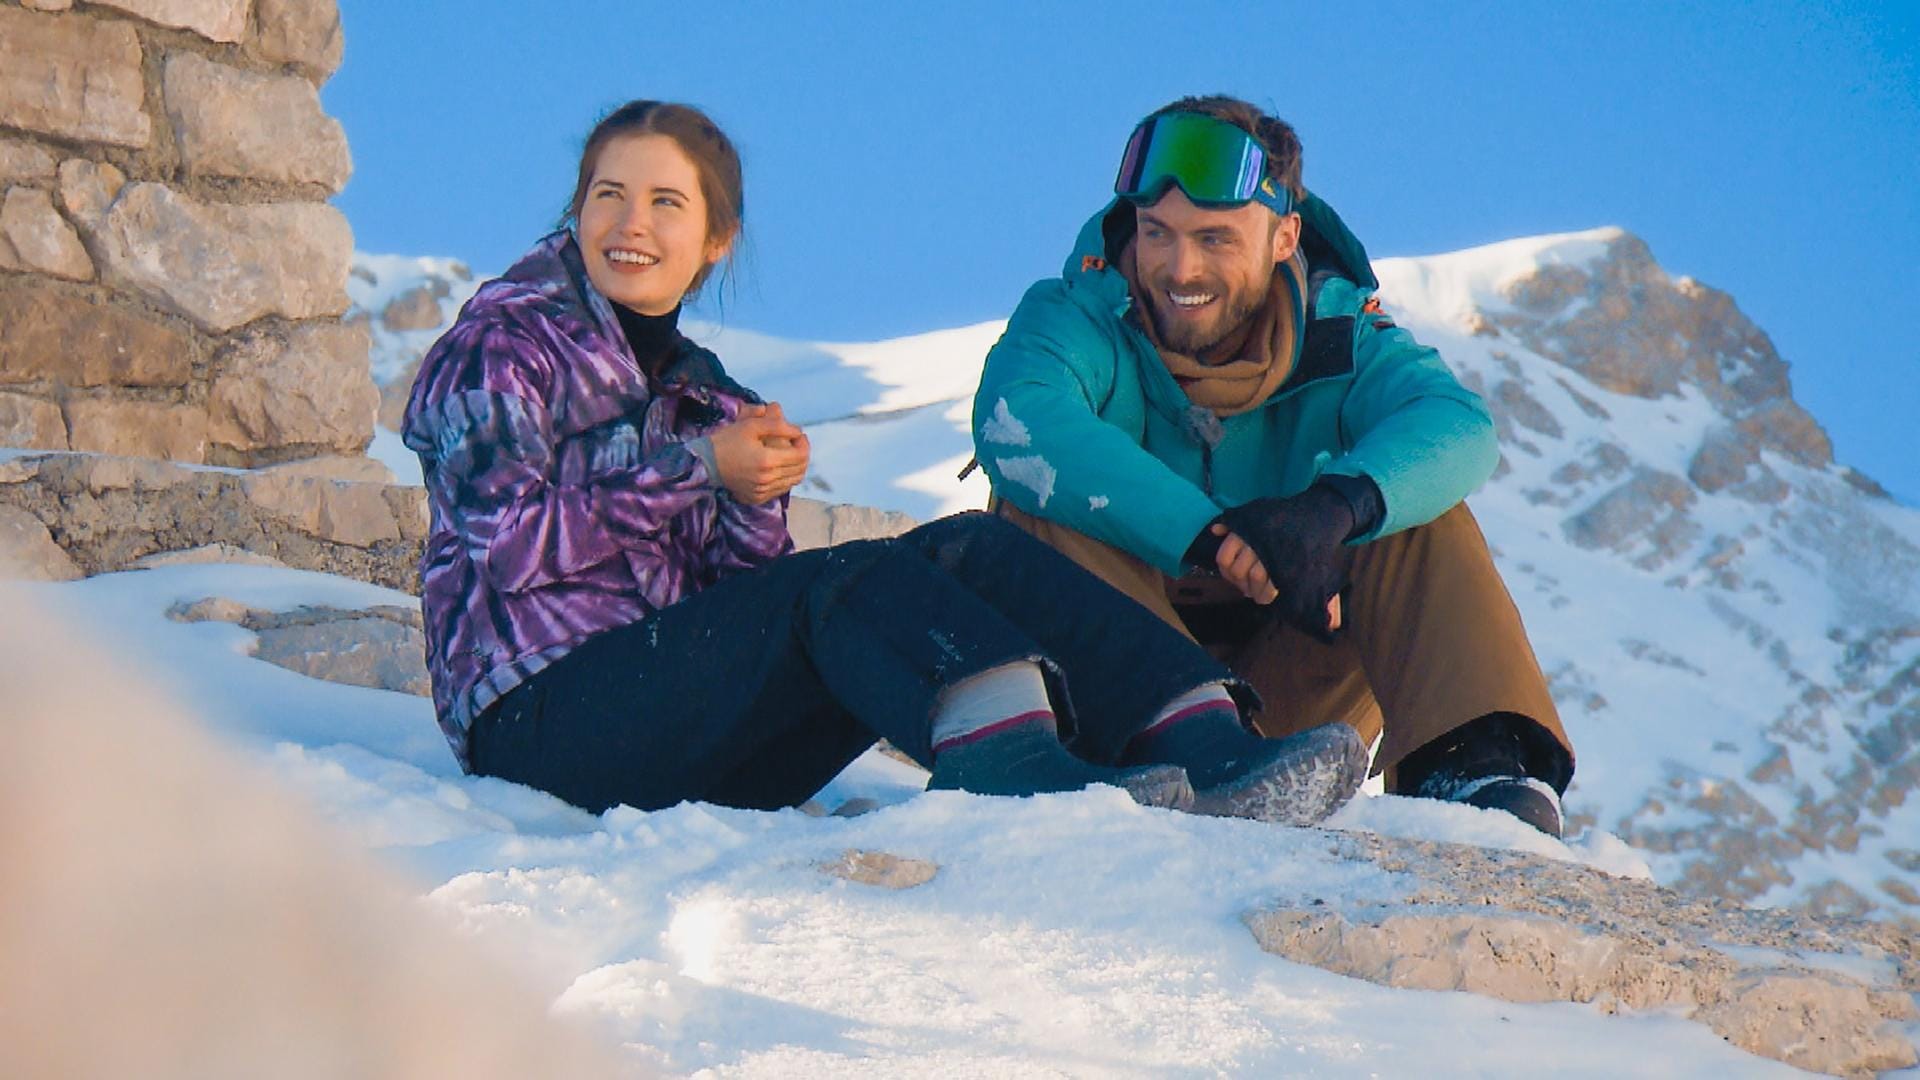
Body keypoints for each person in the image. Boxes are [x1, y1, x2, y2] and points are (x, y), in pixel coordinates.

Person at [402, 100, 1369, 825]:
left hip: (682, 741)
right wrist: (702, 472)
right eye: (608, 195)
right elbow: (508, 546)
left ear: (714, 240)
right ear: (575, 212)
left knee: (959, 549)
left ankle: (1203, 741)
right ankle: (1017, 770)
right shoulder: (503, 348)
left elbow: (747, 622)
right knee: (846, 578)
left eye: (665, 202)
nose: (632, 223)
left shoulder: (710, 394)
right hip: (542, 731)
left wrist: (749, 500)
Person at [969, 96, 1576, 836]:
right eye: (1156, 232)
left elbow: (1457, 426)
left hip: (1275, 723)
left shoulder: (1341, 336)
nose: (1177, 266)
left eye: (1215, 238)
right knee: (1036, 498)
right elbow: (1018, 419)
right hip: (1111, 710)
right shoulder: (1079, 313)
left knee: (1413, 507)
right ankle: (1171, 741)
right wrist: (1210, 535)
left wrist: (1330, 512)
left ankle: (1472, 771)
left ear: (1285, 236)